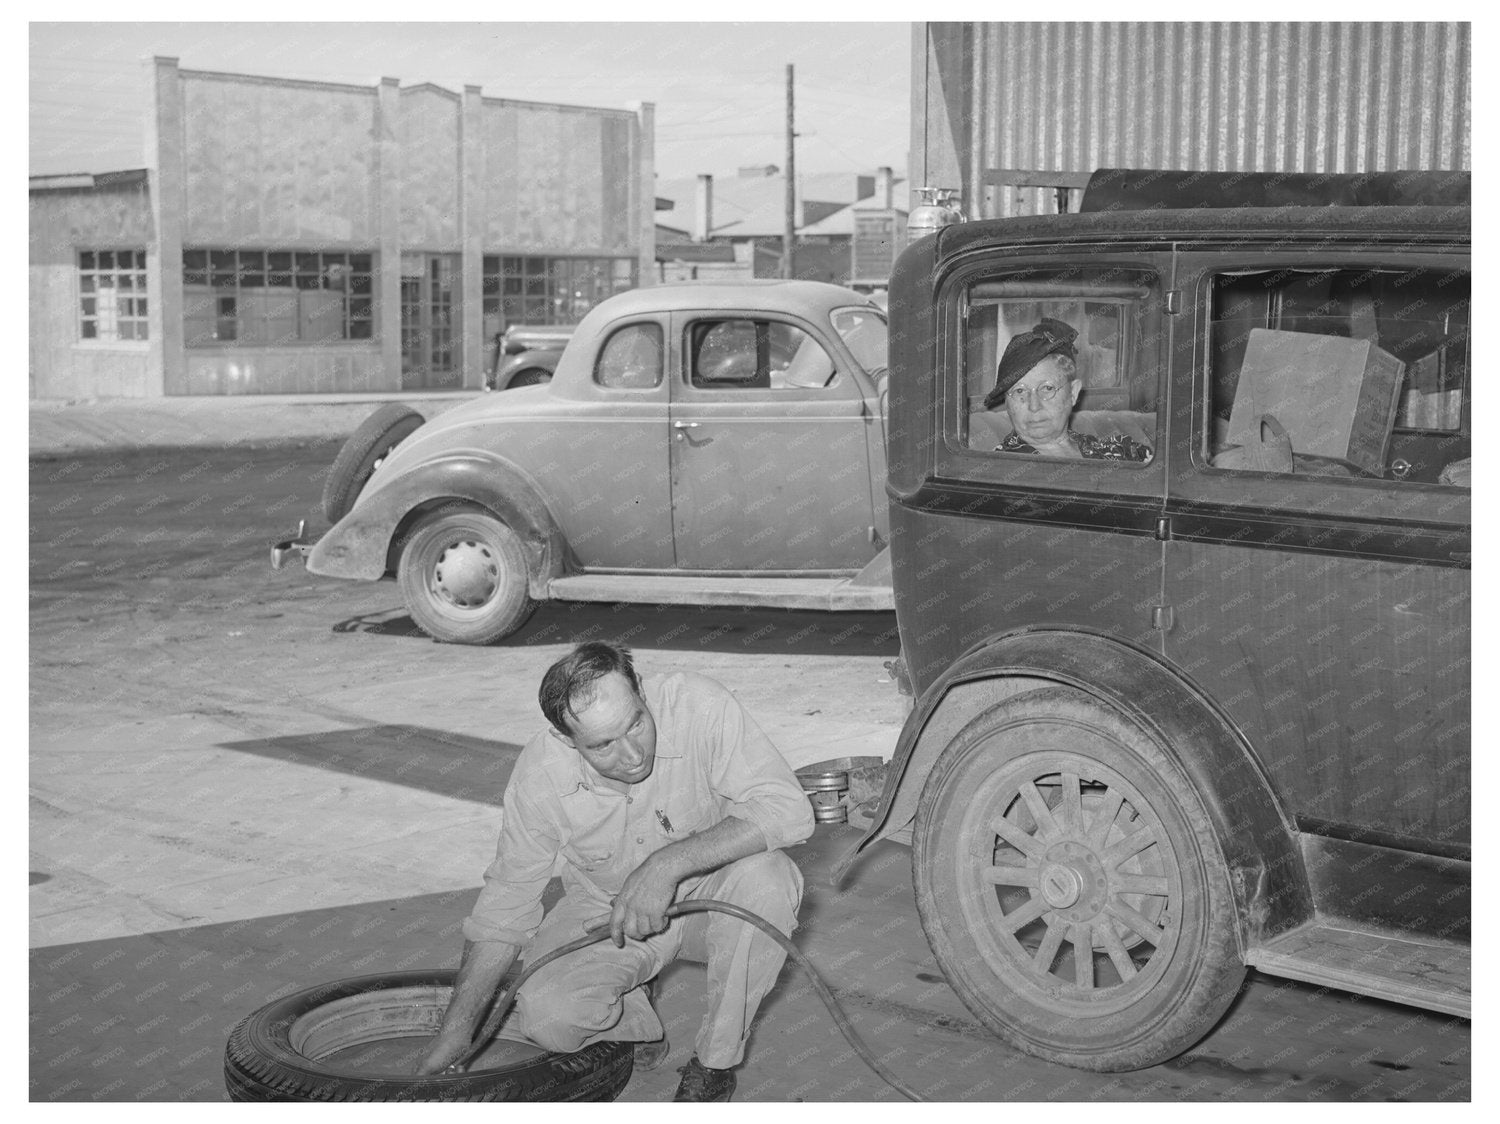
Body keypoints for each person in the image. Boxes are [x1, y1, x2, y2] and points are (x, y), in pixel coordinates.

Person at [416, 642, 815, 1102]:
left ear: (641, 690)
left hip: (715, 895)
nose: (632, 756)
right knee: (549, 1018)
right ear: (567, 740)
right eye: (603, 745)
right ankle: (638, 1020)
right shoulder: (540, 778)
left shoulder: (699, 704)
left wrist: (664, 865)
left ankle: (714, 1062)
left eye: (637, 724)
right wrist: (456, 1030)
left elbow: (790, 812)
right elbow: (504, 909)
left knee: (770, 878)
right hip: (608, 911)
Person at [983, 317, 1151, 461]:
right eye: (1020, 391)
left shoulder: (1118, 451)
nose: (1034, 406)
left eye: (1047, 388)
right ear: (1007, 402)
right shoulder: (1001, 468)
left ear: (1073, 393)